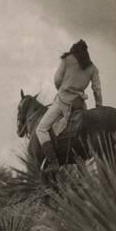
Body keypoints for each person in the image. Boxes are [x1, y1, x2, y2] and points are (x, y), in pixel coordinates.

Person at [36, 39, 102, 172]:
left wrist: (64, 89)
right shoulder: (93, 68)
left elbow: (57, 80)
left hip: (62, 102)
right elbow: (97, 89)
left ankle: (53, 161)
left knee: (41, 129)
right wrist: (99, 107)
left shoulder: (66, 60)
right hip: (79, 104)